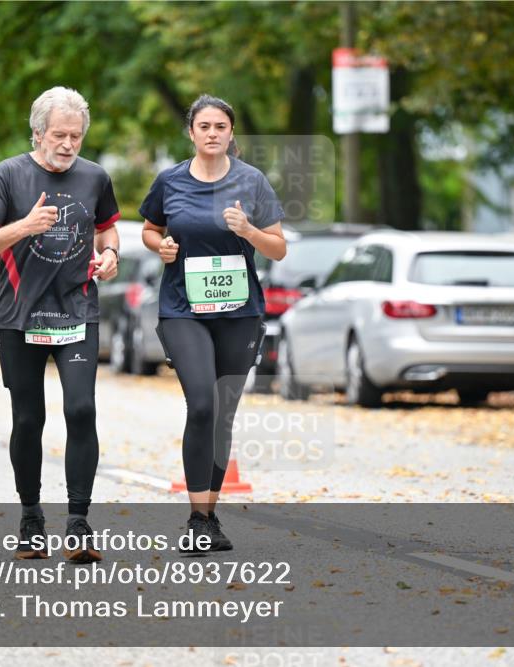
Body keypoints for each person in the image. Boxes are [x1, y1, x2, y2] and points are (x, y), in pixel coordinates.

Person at [0, 86, 120, 562]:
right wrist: (24, 227)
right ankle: (31, 517)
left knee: (81, 410)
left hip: (76, 312)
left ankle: (79, 523)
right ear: (38, 133)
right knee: (29, 419)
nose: (68, 144)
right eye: (59, 135)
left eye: (76, 136)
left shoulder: (95, 178)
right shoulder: (7, 176)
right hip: (21, 317)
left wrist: (111, 253)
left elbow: (108, 227)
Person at [140, 95, 286, 551]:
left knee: (222, 415)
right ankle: (196, 516)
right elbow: (150, 228)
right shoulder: (170, 181)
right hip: (183, 308)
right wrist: (159, 246)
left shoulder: (252, 181)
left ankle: (207, 518)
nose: (212, 133)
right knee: (201, 404)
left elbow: (278, 248)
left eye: (220, 126)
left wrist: (248, 231)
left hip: (239, 313)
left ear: (230, 132)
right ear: (191, 132)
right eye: (204, 126)